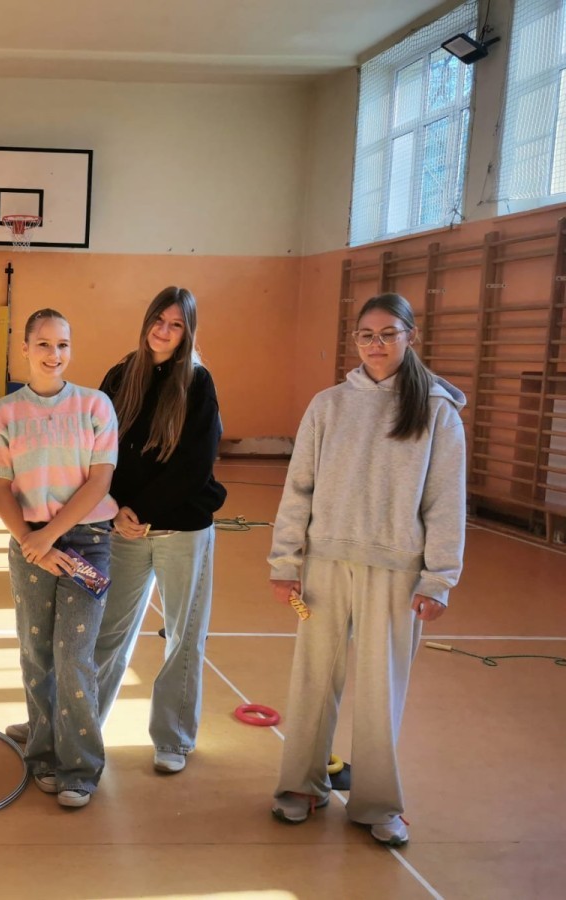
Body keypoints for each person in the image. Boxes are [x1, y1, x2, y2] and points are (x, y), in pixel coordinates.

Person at [268, 292, 466, 847]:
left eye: (388, 334)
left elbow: (446, 502)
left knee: (382, 693)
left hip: (396, 573)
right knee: (313, 680)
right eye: (366, 335)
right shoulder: (328, 405)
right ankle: (301, 786)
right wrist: (285, 560)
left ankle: (377, 803)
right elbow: (298, 488)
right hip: (325, 566)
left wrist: (438, 579)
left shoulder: (436, 411)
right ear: (355, 341)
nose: (376, 345)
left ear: (410, 336)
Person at [0, 308, 119, 809]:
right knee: (36, 651)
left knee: (74, 654)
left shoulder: (95, 405)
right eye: (43, 344)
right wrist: (29, 540)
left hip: (86, 541)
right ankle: (42, 753)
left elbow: (100, 481)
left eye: (62, 345)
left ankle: (80, 767)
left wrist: (50, 539)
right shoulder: (4, 414)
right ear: (25, 348)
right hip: (30, 544)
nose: (53, 354)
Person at [93, 286, 226, 774]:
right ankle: (81, 724)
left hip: (181, 531)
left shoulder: (198, 383)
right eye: (158, 320)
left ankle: (173, 738)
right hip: (123, 528)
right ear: (147, 320)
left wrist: (141, 509)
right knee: (107, 633)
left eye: (176, 325)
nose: (164, 331)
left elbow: (195, 464)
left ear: (187, 332)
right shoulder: (120, 375)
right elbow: (98, 447)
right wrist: (113, 509)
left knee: (183, 637)